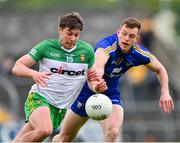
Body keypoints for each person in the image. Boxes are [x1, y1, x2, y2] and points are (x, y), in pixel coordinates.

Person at [52, 17, 174, 142]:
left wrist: (165, 92)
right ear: (118, 32)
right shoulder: (106, 47)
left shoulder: (139, 53)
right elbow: (97, 68)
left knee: (113, 132)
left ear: (137, 39)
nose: (126, 39)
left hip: (110, 94)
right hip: (86, 91)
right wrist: (97, 84)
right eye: (124, 34)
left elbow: (161, 69)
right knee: (64, 138)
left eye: (131, 36)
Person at [11, 12, 107, 142]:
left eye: (76, 35)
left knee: (24, 137)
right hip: (40, 97)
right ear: (60, 30)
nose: (72, 38)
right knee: (45, 130)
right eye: (69, 33)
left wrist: (97, 87)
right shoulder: (46, 46)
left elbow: (91, 80)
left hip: (60, 107)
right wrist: (34, 74)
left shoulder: (87, 51)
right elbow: (17, 67)